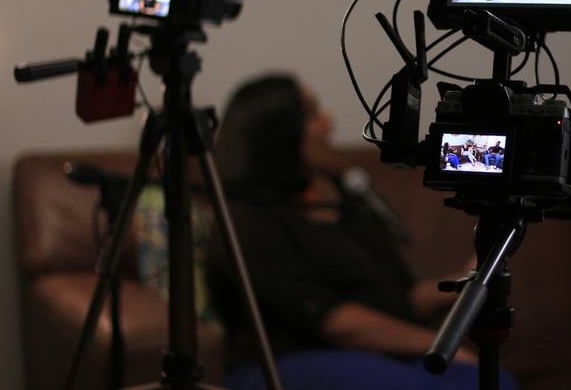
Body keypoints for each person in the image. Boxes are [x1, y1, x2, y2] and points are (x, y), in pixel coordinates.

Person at [208, 73, 517, 390]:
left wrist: (471, 278)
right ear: (278, 134)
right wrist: (437, 345)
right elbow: (332, 322)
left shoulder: (346, 194)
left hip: (372, 356)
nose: (329, 121)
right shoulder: (247, 220)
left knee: (495, 382)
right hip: (289, 359)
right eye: (313, 114)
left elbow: (401, 299)